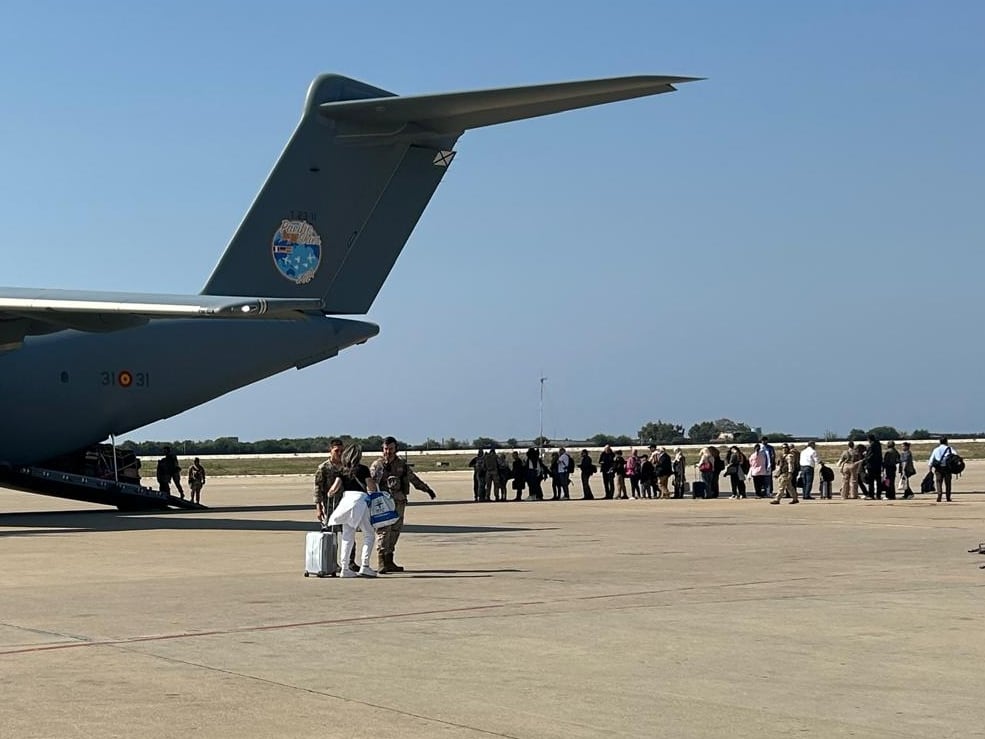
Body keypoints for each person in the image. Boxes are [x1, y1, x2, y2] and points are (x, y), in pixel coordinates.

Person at [369, 436, 437, 573]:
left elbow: (413, 479)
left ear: (396, 449)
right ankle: (381, 560)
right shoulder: (377, 465)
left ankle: (389, 559)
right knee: (384, 530)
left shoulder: (401, 465)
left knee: (395, 530)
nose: (388, 452)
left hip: (399, 502)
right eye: (386, 449)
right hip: (383, 503)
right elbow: (370, 483)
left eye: (391, 449)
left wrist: (426, 489)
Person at [325, 444, 378, 578]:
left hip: (346, 502)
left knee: (347, 536)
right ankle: (365, 565)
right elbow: (371, 486)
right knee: (369, 534)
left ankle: (344, 568)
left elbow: (333, 489)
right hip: (360, 501)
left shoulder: (342, 470)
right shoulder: (363, 469)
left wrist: (329, 494)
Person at [314, 438, 345, 524]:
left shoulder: (346, 466)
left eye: (342, 451)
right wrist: (319, 509)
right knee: (331, 529)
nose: (339, 453)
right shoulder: (323, 468)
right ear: (330, 451)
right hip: (329, 504)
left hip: (345, 503)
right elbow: (318, 489)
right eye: (336, 451)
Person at [928, 437, 956, 503]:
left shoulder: (936, 449)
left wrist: (930, 470)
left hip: (938, 468)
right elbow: (955, 456)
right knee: (948, 483)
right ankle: (948, 497)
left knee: (938, 482)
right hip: (947, 468)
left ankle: (939, 496)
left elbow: (931, 460)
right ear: (946, 441)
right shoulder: (950, 449)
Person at [863, 434, 883, 500]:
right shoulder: (878, 445)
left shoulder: (872, 446)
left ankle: (871, 495)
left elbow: (870, 456)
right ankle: (878, 495)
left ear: (869, 439)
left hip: (871, 466)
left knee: (871, 481)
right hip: (878, 465)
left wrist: (865, 458)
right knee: (878, 480)